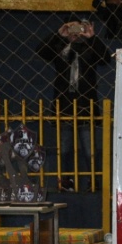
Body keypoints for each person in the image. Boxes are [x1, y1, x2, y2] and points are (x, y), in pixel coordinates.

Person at [35, 18, 111, 175]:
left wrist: (92, 37)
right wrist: (59, 35)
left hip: (85, 103)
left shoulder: (89, 48)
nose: (76, 32)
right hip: (64, 103)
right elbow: (41, 51)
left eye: (78, 28)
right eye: (72, 28)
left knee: (89, 148)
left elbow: (105, 59)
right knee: (64, 148)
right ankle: (66, 180)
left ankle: (94, 181)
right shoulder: (60, 48)